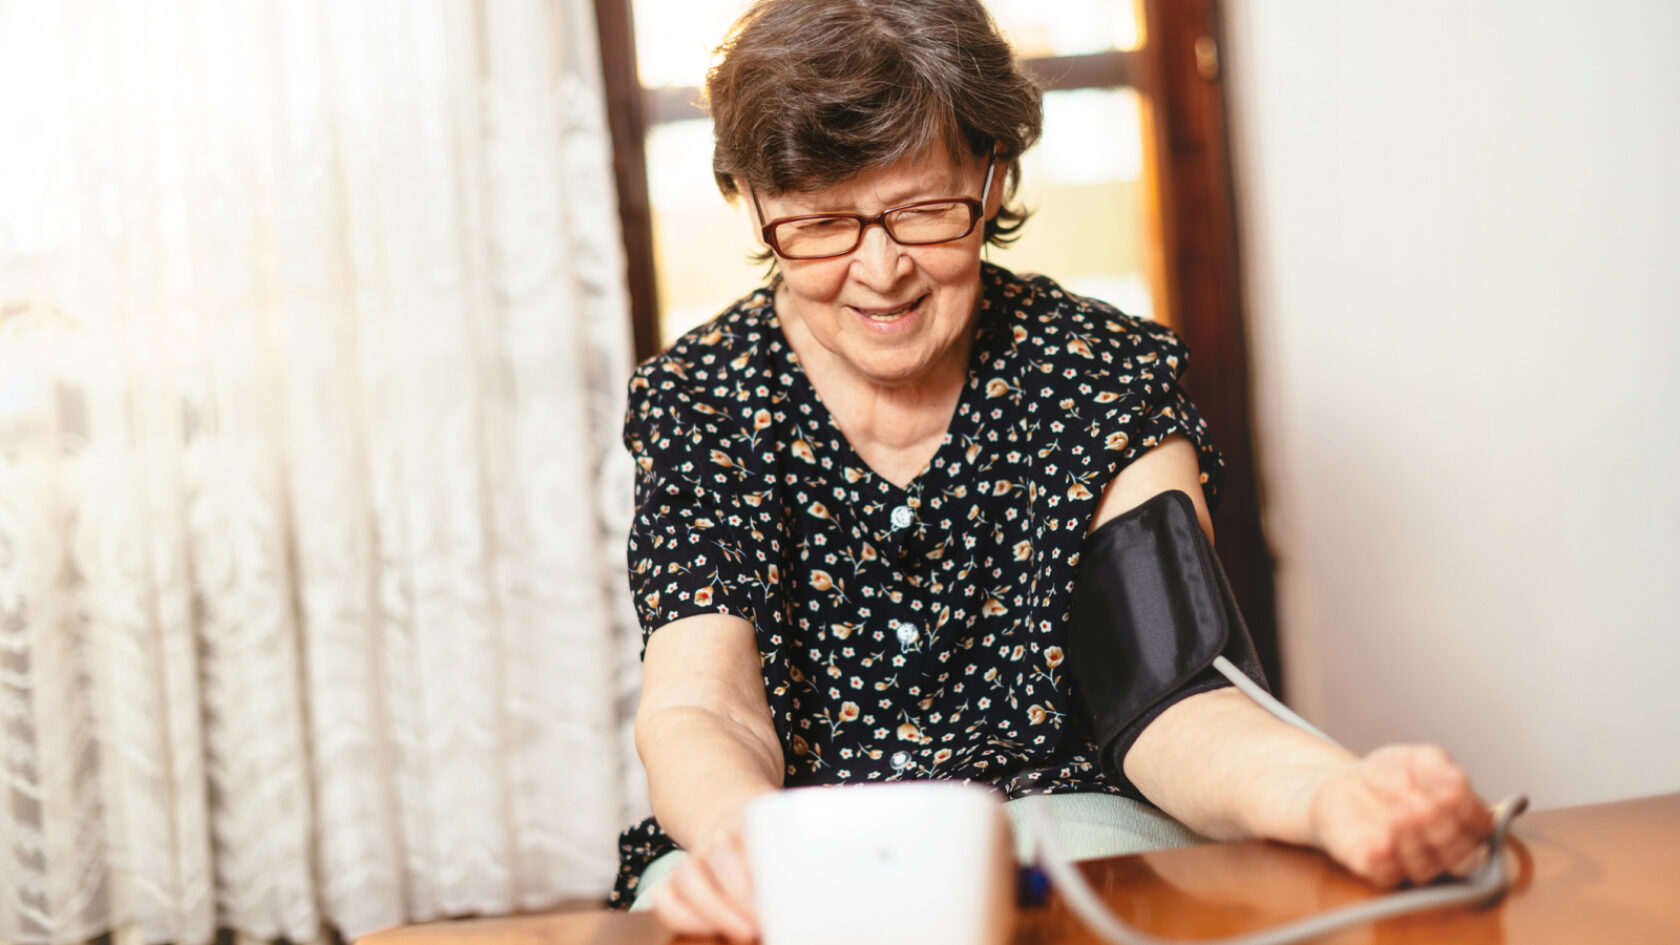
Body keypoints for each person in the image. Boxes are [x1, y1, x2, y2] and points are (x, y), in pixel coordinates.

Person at [610, 0, 1493, 940]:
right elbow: (707, 705)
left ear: (992, 182)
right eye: (823, 223)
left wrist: (1332, 794)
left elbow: (1171, 690)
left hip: (1063, 823)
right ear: (754, 203)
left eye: (924, 210)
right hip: (805, 826)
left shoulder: (1101, 371)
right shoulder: (700, 395)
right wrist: (753, 845)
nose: (881, 270)